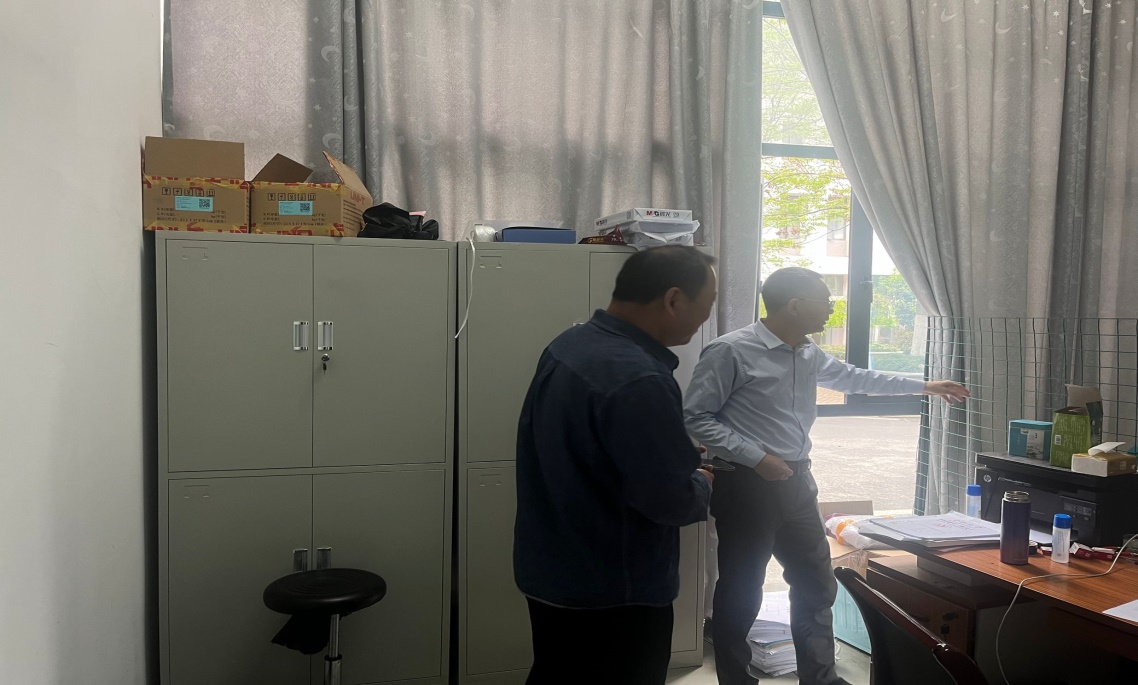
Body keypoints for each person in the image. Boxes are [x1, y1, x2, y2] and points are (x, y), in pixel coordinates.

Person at [684, 267, 969, 685]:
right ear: (795, 305)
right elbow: (696, 417)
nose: (832, 309)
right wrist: (757, 458)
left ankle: (820, 679)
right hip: (747, 486)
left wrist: (925, 386)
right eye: (826, 301)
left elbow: (856, 378)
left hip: (798, 483)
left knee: (817, 585)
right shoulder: (731, 351)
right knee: (742, 592)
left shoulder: (807, 351)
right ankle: (736, 680)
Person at [514, 246, 719, 685]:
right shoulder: (639, 377)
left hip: (553, 569)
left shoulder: (571, 343)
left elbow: (593, 451)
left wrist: (666, 451)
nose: (706, 317)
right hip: (614, 591)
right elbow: (669, 502)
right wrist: (699, 482)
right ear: (674, 299)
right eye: (708, 303)